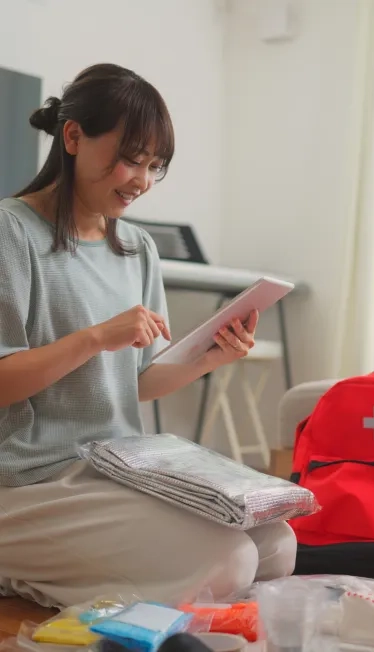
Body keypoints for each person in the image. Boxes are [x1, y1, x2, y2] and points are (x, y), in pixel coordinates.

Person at [0, 63, 296, 609]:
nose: (142, 181)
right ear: (72, 136)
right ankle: (18, 566)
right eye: (132, 160)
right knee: (230, 562)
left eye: (155, 166)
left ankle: (82, 570)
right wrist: (94, 337)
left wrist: (210, 355)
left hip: (113, 467)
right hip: (29, 481)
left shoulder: (137, 247)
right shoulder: (11, 232)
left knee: (276, 543)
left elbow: (137, 382)